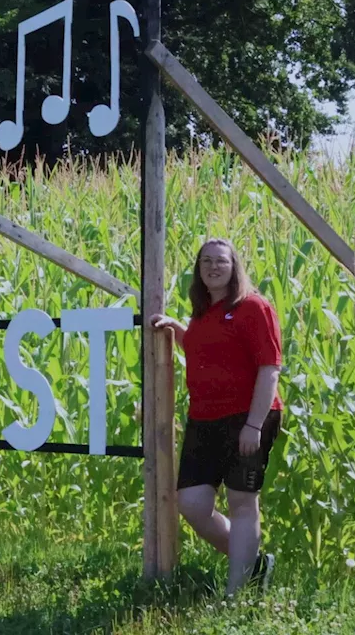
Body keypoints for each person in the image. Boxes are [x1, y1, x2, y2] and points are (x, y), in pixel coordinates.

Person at [151, 238, 283, 596]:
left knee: (241, 501)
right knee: (192, 503)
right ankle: (252, 565)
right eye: (206, 261)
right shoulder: (204, 313)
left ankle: (234, 595)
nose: (213, 267)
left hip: (248, 418)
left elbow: (270, 368)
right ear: (199, 269)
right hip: (204, 419)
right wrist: (178, 330)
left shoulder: (253, 307)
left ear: (233, 266)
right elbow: (204, 350)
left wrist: (253, 425)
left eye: (221, 261)